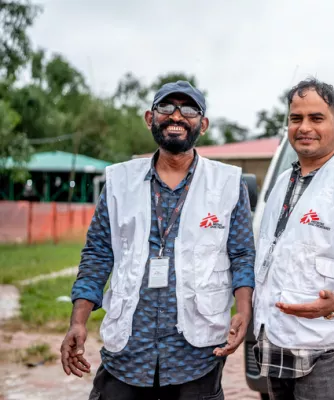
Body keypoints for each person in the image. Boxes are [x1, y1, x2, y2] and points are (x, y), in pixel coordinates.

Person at [61, 80, 255, 400]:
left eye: (189, 109)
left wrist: (243, 312)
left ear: (203, 124)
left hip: (196, 353)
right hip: (128, 350)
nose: (176, 116)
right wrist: (78, 321)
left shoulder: (228, 183)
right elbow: (97, 253)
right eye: (166, 107)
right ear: (150, 118)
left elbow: (242, 254)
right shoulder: (119, 181)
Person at [253, 78, 334, 399]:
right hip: (276, 342)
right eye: (296, 118)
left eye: (316, 118)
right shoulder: (283, 181)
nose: (304, 127)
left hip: (325, 348)